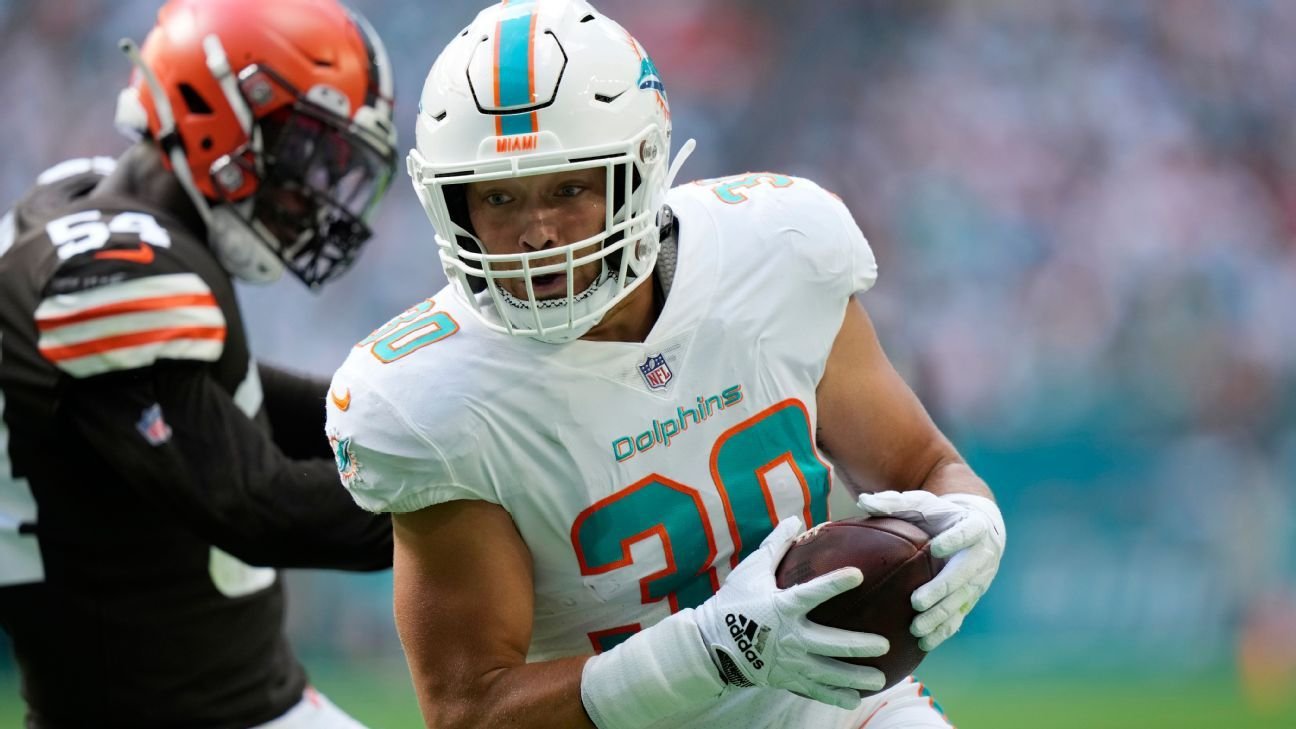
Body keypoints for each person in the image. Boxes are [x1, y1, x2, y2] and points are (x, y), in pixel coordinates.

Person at [327, 0, 1006, 727]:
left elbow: (924, 466)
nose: (535, 233)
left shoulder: (776, 251)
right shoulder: (436, 396)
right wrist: (714, 649)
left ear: (641, 172)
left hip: (827, 707)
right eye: (498, 196)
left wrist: (973, 520)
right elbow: (470, 708)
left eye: (568, 188)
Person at [0, 1, 399, 726]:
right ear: (216, 113)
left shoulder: (84, 206)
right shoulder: (110, 272)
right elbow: (255, 502)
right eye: (307, 148)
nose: (314, 187)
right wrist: (461, 505)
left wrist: (406, 417)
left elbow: (236, 397)